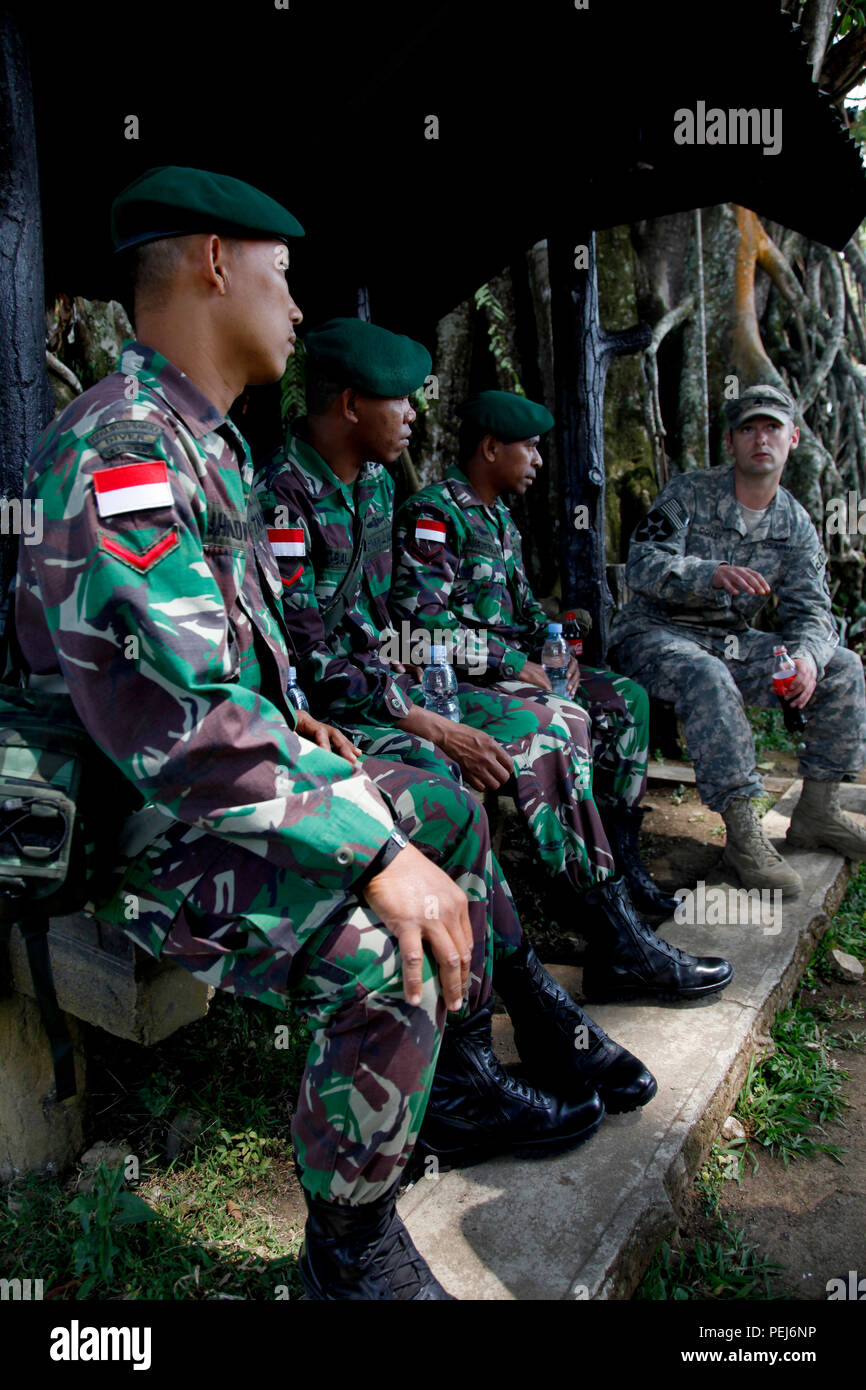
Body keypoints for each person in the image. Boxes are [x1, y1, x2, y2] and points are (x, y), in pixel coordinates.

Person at [14, 166, 643, 1303]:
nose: (298, 310)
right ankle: (347, 1250)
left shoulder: (202, 442)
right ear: (215, 262)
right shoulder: (123, 449)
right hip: (129, 825)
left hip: (197, 788)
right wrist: (369, 850)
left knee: (444, 809)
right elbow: (183, 725)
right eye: (283, 275)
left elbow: (228, 670)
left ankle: (449, 1086)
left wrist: (307, 726)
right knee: (380, 953)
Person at [257, 327, 732, 1008]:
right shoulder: (282, 495)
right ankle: (523, 979)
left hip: (394, 688)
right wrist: (428, 717)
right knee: (464, 776)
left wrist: (440, 685)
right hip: (329, 719)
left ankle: (613, 932)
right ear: (355, 403)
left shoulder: (374, 486)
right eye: (401, 399)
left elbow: (383, 630)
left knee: (550, 730)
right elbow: (311, 658)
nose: (415, 415)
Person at [392, 387, 677, 917]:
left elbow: (523, 610)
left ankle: (622, 859)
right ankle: (580, 888)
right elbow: (421, 627)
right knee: (562, 718)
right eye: (530, 447)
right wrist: (513, 664)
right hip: (463, 680)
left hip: (518, 668)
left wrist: (556, 645)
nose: (539, 460)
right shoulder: (433, 516)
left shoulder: (501, 520)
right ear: (492, 448)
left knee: (627, 700)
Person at [607, 382, 866, 896]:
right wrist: (711, 573)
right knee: (708, 674)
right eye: (748, 428)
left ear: (793, 439)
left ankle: (817, 809)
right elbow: (641, 564)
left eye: (772, 427)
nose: (760, 439)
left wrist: (810, 658)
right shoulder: (689, 493)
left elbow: (813, 611)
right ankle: (744, 833)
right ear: (731, 443)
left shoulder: (795, 525)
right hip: (653, 635)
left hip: (728, 640)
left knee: (843, 665)